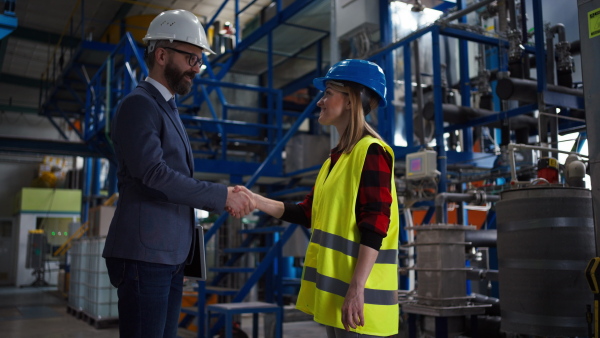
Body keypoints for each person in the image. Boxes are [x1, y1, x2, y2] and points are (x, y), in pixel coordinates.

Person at [102, 9, 254, 338]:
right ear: (161, 54)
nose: (196, 69)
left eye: (199, 61)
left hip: (165, 256)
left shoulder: (167, 108)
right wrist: (221, 195)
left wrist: (181, 255)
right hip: (145, 255)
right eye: (191, 59)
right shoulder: (138, 105)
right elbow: (154, 175)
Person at [233, 59, 399, 337]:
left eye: (328, 93)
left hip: (361, 304)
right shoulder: (334, 161)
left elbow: (376, 223)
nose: (320, 102)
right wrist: (256, 200)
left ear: (350, 101)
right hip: (339, 301)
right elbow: (306, 213)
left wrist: (357, 289)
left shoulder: (371, 151)